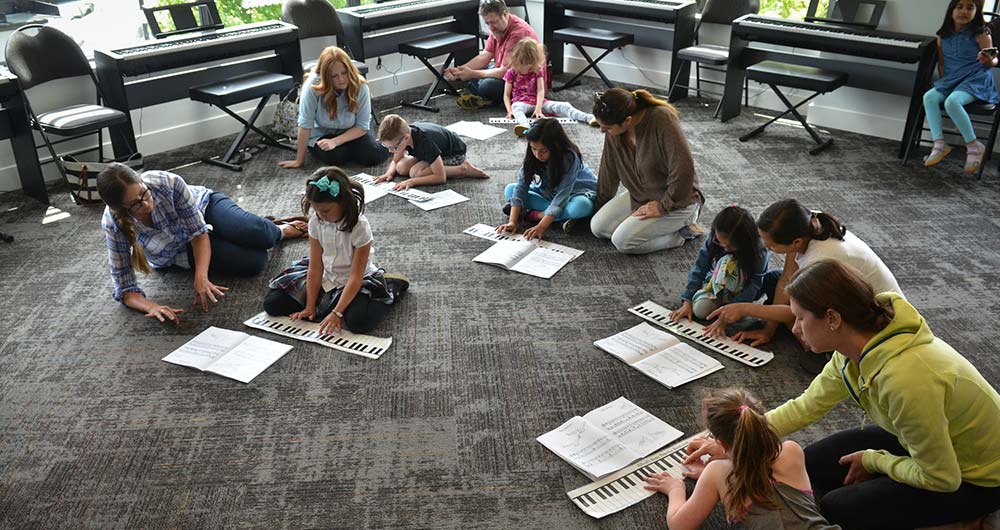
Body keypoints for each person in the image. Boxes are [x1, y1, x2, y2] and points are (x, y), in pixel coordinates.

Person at [685, 260, 1000, 530]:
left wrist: (876, 460)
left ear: (833, 319)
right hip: (927, 439)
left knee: (838, 509)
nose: (794, 329)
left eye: (801, 318)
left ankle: (964, 520)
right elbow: (807, 405)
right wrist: (738, 441)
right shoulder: (853, 349)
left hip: (977, 477)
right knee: (810, 463)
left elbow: (943, 478)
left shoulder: (907, 380)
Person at [98, 164, 307, 323]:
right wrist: (150, 306)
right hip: (178, 249)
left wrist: (201, 276)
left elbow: (198, 233)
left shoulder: (166, 181)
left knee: (260, 234)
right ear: (121, 209)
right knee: (255, 263)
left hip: (204, 207)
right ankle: (246, 229)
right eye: (135, 204)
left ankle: (278, 229)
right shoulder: (113, 223)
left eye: (144, 193)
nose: (146, 203)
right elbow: (125, 288)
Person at [703, 199, 901, 351]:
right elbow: (786, 279)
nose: (765, 247)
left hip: (879, 321)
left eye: (771, 245)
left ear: (796, 242)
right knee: (775, 280)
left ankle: (831, 351)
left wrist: (746, 308)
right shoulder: (807, 222)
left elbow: (800, 311)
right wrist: (768, 329)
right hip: (848, 294)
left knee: (807, 323)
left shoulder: (822, 259)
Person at [643, 388, 840, 530]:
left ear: (721, 443)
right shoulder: (792, 451)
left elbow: (679, 525)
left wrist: (675, 490)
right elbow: (756, 473)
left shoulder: (717, 473)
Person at [263, 167, 409, 335]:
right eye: (316, 209)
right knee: (272, 304)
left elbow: (355, 276)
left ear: (343, 202)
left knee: (358, 322)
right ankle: (324, 303)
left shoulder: (360, 226)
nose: (320, 215)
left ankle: (390, 286)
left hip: (356, 279)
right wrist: (309, 306)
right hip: (326, 274)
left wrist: (337, 313)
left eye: (325, 210)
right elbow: (315, 266)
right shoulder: (315, 221)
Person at [589, 88, 704, 254]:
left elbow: (683, 168)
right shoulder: (614, 127)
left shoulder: (662, 118)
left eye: (606, 128)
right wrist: (598, 205)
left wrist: (663, 207)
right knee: (598, 227)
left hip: (678, 200)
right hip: (640, 195)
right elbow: (609, 169)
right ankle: (647, 228)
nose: (602, 131)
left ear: (627, 120)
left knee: (622, 242)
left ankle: (682, 234)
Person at [278, 46, 389, 169]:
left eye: (344, 73)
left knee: (372, 155)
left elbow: (362, 126)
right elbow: (305, 125)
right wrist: (299, 160)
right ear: (325, 77)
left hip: (354, 131)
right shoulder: (312, 86)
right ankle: (351, 150)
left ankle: (389, 144)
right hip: (322, 133)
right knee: (336, 156)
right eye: (334, 76)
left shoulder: (360, 86)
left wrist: (336, 141)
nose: (341, 79)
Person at [669, 206, 770, 336]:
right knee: (700, 310)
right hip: (716, 283)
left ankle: (727, 304)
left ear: (745, 241)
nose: (725, 248)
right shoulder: (714, 238)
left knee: (732, 316)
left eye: (731, 246)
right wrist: (687, 300)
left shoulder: (759, 249)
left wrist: (728, 314)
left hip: (743, 289)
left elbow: (754, 285)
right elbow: (700, 266)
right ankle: (718, 301)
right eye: (721, 243)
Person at [922, 0, 998, 173]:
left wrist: (989, 60)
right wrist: (944, 84)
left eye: (970, 8)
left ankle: (974, 146)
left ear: (976, 12)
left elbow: (992, 60)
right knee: (929, 97)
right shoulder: (942, 35)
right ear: (951, 10)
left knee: (952, 102)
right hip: (952, 79)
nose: (964, 11)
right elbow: (942, 63)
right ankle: (939, 143)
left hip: (975, 79)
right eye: (960, 7)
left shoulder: (981, 33)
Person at [496, 118, 597, 237]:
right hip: (547, 193)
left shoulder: (569, 158)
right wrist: (512, 222)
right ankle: (563, 218)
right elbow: (521, 187)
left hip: (574, 194)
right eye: (533, 149)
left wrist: (541, 225)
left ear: (556, 146)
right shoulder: (532, 157)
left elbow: (562, 195)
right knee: (510, 189)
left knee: (582, 206)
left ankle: (534, 215)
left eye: (543, 151)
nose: (537, 155)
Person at [446, 0, 543, 110]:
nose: (491, 27)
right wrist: (461, 70)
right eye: (487, 23)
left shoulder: (518, 34)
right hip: (505, 71)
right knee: (477, 76)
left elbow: (503, 72)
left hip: (525, 83)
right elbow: (485, 56)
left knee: (485, 86)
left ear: (505, 14)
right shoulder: (498, 29)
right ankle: (489, 98)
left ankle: (491, 98)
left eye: (494, 22)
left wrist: (472, 73)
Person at [502, 37, 595, 137]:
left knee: (565, 106)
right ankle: (525, 127)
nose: (527, 65)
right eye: (524, 62)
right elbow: (506, 95)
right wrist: (509, 111)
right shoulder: (511, 72)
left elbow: (541, 90)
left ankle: (588, 118)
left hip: (539, 101)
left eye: (530, 62)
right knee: (516, 107)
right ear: (517, 58)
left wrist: (538, 108)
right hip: (520, 102)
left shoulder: (537, 70)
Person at [373, 114, 488, 190]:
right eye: (387, 147)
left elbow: (440, 177)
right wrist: (389, 173)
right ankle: (426, 164)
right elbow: (395, 160)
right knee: (401, 167)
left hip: (453, 154)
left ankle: (463, 169)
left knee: (416, 172)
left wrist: (412, 181)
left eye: (393, 148)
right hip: (432, 151)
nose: (391, 150)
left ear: (406, 138)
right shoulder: (404, 137)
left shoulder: (425, 142)